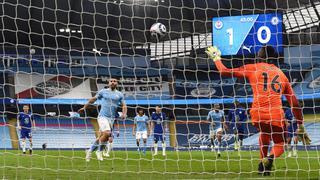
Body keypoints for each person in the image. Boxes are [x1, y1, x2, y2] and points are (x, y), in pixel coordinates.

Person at [206, 45, 308, 176]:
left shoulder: (253, 68)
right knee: (280, 143)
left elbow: (224, 71)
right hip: (275, 114)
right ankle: (270, 158)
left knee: (264, 133)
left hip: (257, 114)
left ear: (260, 57)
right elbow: (295, 103)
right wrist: (300, 125)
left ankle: (262, 164)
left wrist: (216, 58)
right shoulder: (282, 76)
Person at [79, 78, 127, 161]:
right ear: (108, 83)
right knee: (107, 133)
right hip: (102, 116)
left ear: (117, 83)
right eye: (111, 81)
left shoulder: (119, 94)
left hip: (111, 118)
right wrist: (84, 107)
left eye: (114, 81)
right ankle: (99, 151)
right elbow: (93, 99)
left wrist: (124, 113)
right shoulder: (103, 91)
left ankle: (90, 151)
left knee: (104, 136)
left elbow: (124, 105)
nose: (113, 82)